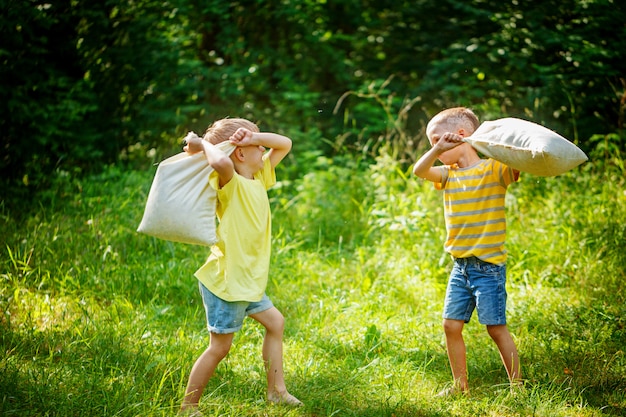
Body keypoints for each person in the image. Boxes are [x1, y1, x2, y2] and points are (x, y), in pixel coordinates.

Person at [179, 118, 302, 415]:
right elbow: (220, 160)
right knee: (220, 348)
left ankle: (276, 390)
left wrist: (253, 136)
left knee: (276, 323)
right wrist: (201, 144)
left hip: (248, 280)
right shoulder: (230, 182)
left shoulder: (260, 178)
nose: (263, 148)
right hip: (227, 282)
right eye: (256, 145)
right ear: (239, 153)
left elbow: (284, 143)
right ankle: (187, 406)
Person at [412, 107, 522, 396]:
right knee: (450, 325)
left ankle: (517, 386)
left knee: (495, 328)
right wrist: (437, 147)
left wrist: (489, 140)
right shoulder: (447, 175)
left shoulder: (494, 169)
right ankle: (460, 386)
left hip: (488, 267)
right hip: (460, 266)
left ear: (460, 135)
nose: (434, 148)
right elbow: (418, 170)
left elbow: (520, 158)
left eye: (436, 139)